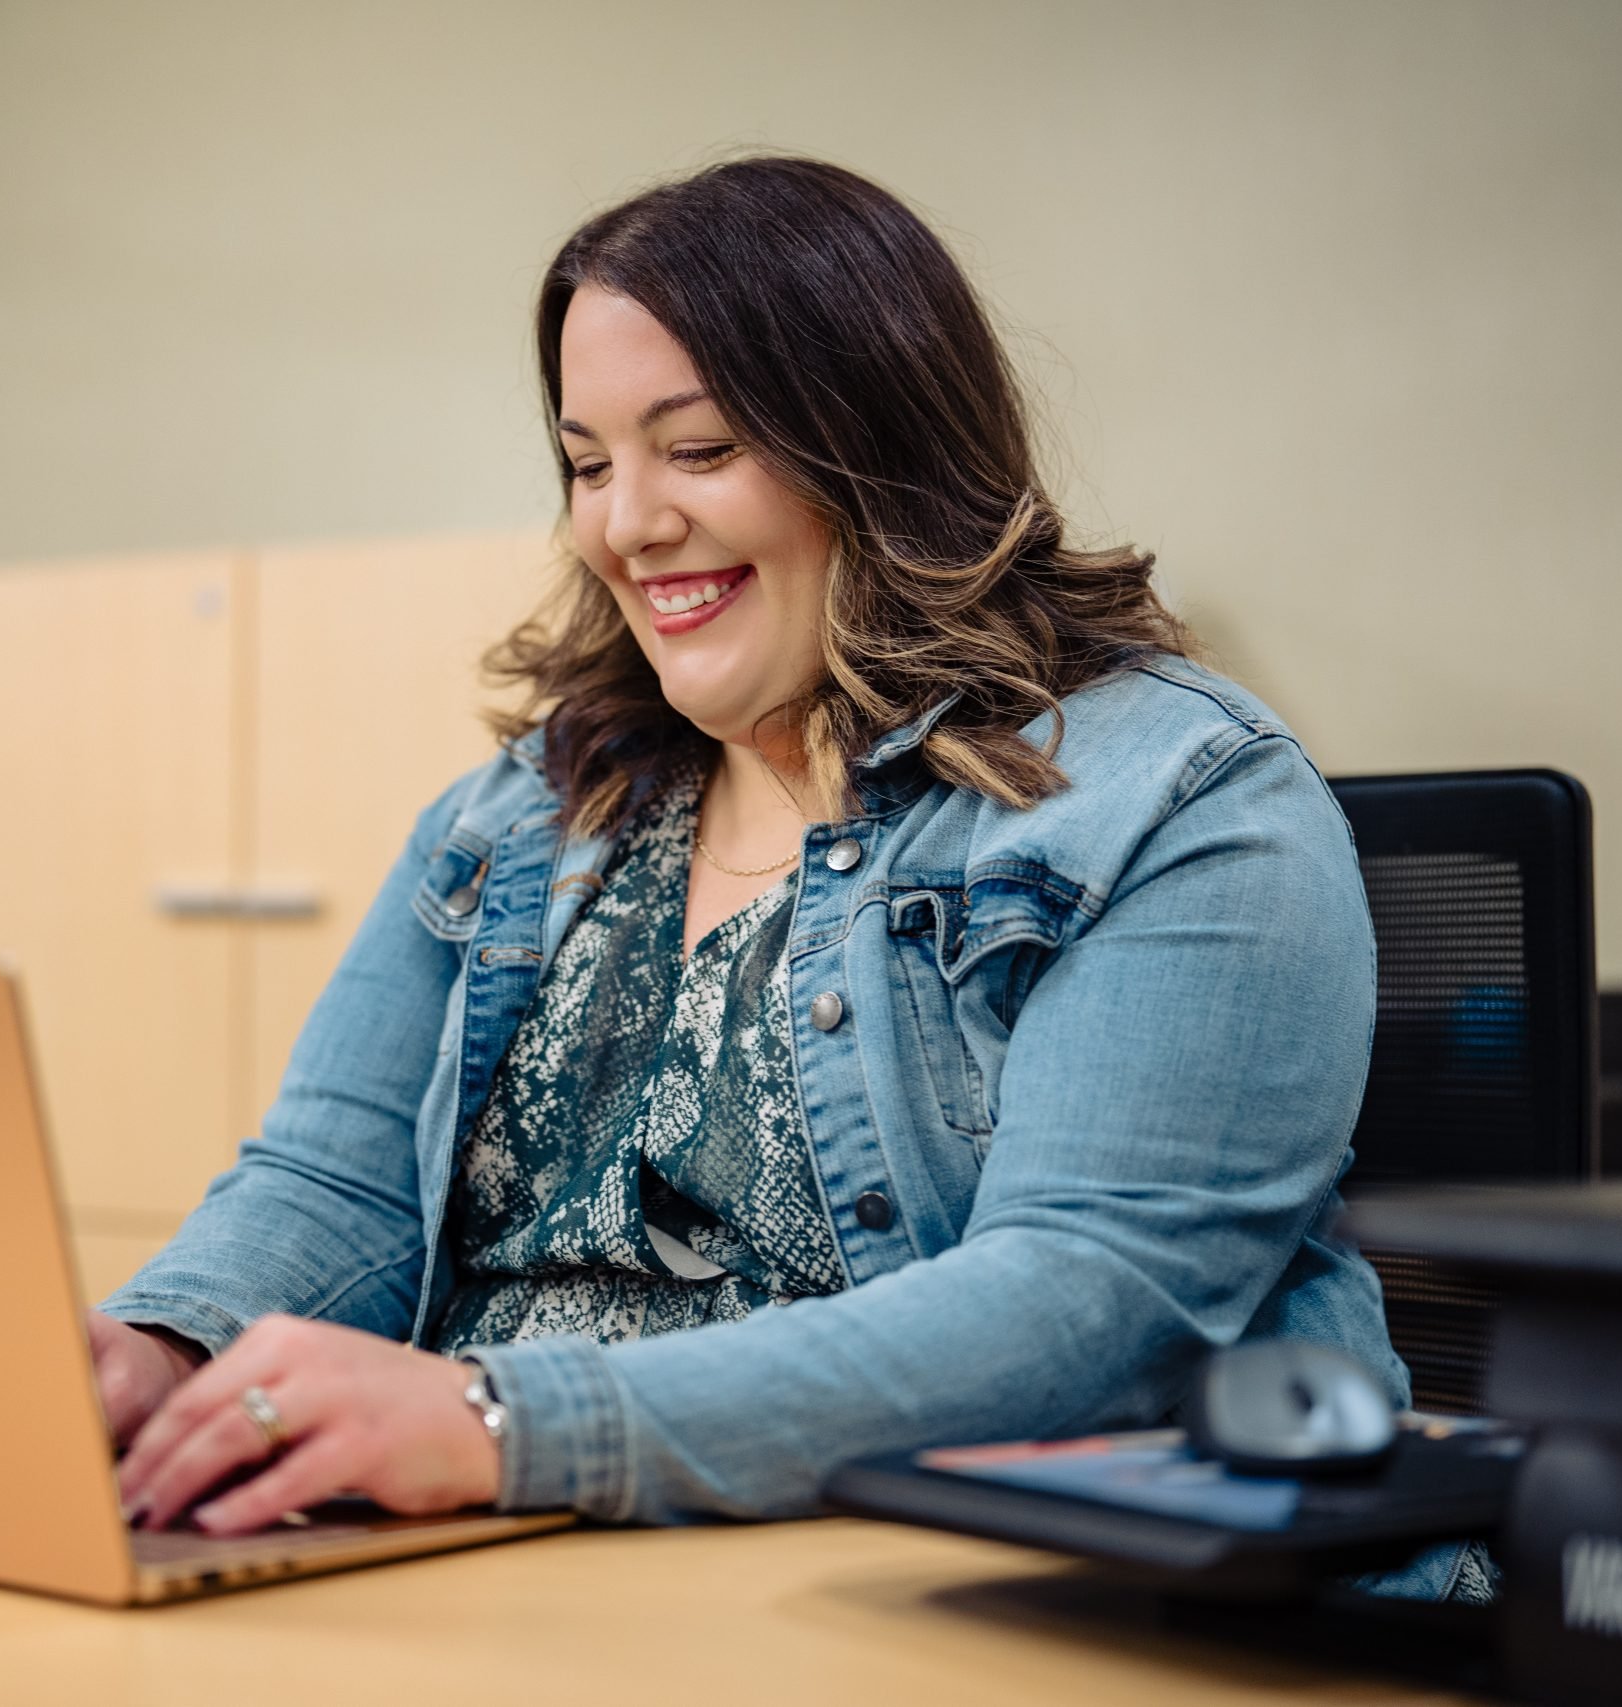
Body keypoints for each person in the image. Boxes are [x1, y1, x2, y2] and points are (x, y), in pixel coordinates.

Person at [93, 156, 1438, 1583]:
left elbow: (1092, 1309)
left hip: (956, 1586)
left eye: (700, 447)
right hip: (512, 1551)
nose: (625, 523)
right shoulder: (513, 815)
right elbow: (338, 1187)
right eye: (590, 462)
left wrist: (509, 1419)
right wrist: (165, 1346)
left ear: (880, 446)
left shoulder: (1178, 797)